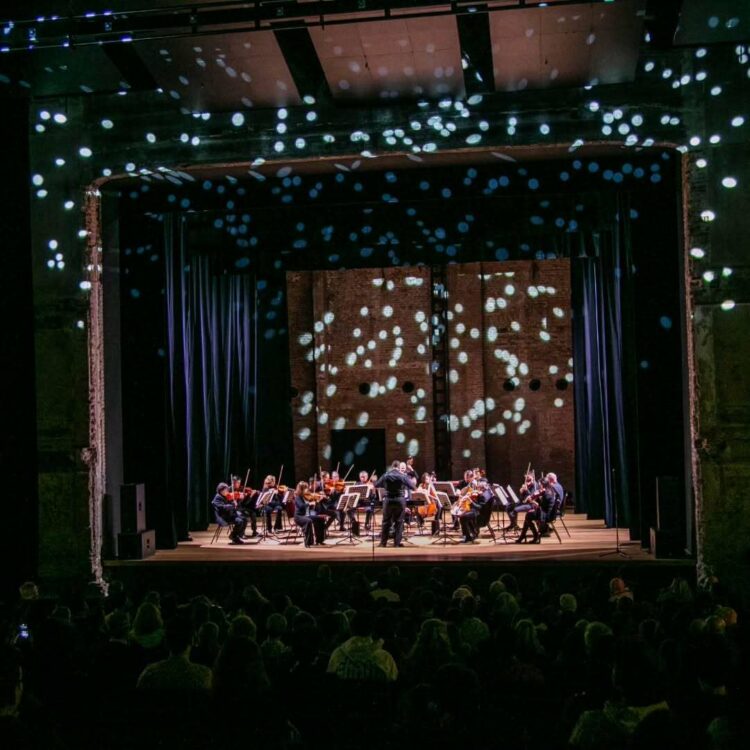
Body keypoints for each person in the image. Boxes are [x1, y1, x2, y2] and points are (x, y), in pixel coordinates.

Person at [375, 460, 416, 548]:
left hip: (388, 500)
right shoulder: (403, 476)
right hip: (399, 500)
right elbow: (413, 487)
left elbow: (377, 484)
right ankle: (397, 543)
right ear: (398, 467)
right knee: (399, 522)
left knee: (386, 521)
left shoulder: (386, 475)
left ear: (392, 467)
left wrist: (385, 485)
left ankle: (383, 543)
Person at [293, 481, 326, 547]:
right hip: (299, 516)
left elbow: (312, 507)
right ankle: (308, 542)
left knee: (321, 519)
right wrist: (309, 503)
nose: (307, 489)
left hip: (307, 515)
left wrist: (317, 501)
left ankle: (319, 540)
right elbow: (301, 506)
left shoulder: (306, 496)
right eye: (306, 488)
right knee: (308, 521)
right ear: (302, 489)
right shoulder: (298, 497)